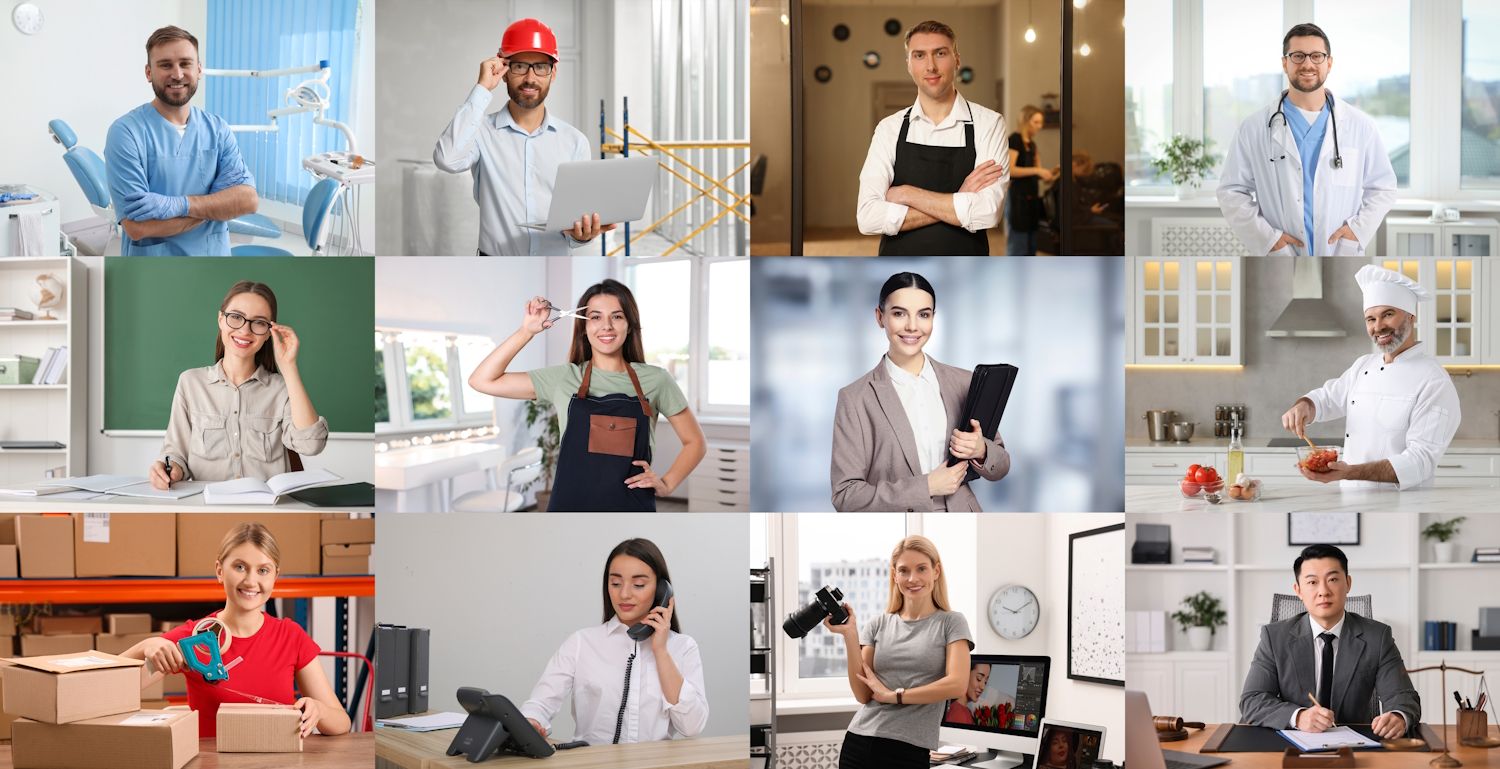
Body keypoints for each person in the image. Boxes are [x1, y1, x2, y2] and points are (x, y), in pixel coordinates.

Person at [467, 280, 706, 511]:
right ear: (583, 326)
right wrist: (526, 331)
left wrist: (667, 484)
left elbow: (695, 442)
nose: (607, 326)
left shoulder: (656, 380)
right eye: (595, 317)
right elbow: (481, 380)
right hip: (569, 506)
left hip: (630, 507)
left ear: (630, 325)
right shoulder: (563, 378)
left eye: (617, 316)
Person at [124, 523, 351, 739]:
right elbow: (104, 688)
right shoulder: (195, 637)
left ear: (275, 577)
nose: (251, 581)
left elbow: (342, 723)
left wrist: (318, 710)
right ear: (220, 571)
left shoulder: (291, 636)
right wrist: (147, 645)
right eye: (240, 567)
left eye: (263, 570)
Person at [433, 18, 615, 256]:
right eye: (519, 66)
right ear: (504, 71)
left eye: (540, 67)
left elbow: (574, 228)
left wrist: (582, 237)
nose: (530, 78)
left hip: (553, 268)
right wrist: (482, 88)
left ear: (553, 73)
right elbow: (447, 159)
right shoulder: (480, 132)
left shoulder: (575, 142)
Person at [831, 272, 1011, 512]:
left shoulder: (964, 381)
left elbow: (1002, 465)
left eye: (923, 315)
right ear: (880, 317)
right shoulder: (855, 398)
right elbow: (846, 496)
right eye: (899, 313)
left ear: (933, 318)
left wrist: (981, 450)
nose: (912, 326)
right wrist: (926, 486)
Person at [1217, 23, 1395, 256]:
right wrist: (1268, 239)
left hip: (1339, 253)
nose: (1307, 64)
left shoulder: (1360, 126)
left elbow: (1383, 188)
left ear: (1329, 63)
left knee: (1342, 294)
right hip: (1280, 255)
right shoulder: (1253, 128)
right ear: (1285, 63)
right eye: (1298, 56)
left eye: (1316, 56)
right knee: (1278, 294)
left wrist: (1357, 231)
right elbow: (1231, 191)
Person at [1279, 265, 1460, 489]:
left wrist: (1349, 473)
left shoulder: (1434, 381)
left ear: (1411, 316)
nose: (1378, 326)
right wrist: (1304, 406)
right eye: (1370, 319)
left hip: (1398, 505)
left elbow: (1420, 461)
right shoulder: (1364, 364)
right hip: (1350, 497)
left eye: (1388, 314)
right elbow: (1328, 398)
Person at [519, 538, 709, 744]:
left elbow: (692, 727)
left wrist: (661, 651)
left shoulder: (683, 647)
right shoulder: (581, 642)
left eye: (638, 584)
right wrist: (531, 722)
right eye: (616, 583)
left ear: (662, 591)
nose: (624, 594)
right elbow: (540, 703)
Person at [150, 281, 327, 489]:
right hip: (207, 509)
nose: (245, 330)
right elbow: (176, 453)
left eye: (259, 322)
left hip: (268, 510)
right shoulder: (190, 383)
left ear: (270, 331)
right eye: (235, 317)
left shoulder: (281, 388)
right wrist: (172, 469)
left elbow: (311, 445)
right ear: (220, 319)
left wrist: (289, 368)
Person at [856, 20, 1008, 255]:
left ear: (957, 59)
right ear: (908, 64)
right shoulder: (889, 128)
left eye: (940, 53)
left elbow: (987, 213)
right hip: (900, 271)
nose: (931, 66)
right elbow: (868, 218)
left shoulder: (989, 123)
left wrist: (907, 193)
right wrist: (960, 198)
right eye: (919, 55)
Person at [105, 26, 258, 256]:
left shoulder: (217, 130)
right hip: (156, 271)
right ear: (148, 72)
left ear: (198, 69)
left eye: (185, 63)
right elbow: (137, 227)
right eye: (165, 65)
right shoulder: (126, 132)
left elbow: (248, 200)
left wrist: (179, 206)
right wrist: (215, 207)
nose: (177, 74)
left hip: (213, 262)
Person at [824, 536, 973, 769]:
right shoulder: (878, 624)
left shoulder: (951, 623)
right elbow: (863, 694)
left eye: (921, 568)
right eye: (904, 571)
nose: (912, 579)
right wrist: (850, 635)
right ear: (894, 575)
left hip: (908, 749)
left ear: (936, 571)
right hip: (859, 741)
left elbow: (957, 684)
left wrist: (894, 696)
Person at [1239, 544, 1417, 737]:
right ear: (1298, 590)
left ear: (1348, 583)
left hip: (1355, 747)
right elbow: (1252, 700)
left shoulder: (1377, 636)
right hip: (1290, 744)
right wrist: (1298, 717)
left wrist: (1398, 717)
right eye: (1312, 582)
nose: (1323, 591)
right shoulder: (1274, 637)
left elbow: (1402, 696)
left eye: (1332, 579)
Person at [1004, 105, 1055, 255]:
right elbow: (1010, 169)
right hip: (1017, 199)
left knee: (1031, 245)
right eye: (1036, 122)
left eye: (1041, 122)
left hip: (1032, 200)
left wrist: (1051, 173)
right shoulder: (1014, 140)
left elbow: (1039, 175)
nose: (1040, 126)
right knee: (1018, 245)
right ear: (1026, 121)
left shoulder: (1033, 145)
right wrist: (1037, 170)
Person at [942, 660, 990, 725]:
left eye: (985, 682)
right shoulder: (958, 714)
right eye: (979, 678)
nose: (983, 687)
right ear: (965, 674)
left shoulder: (965, 711)